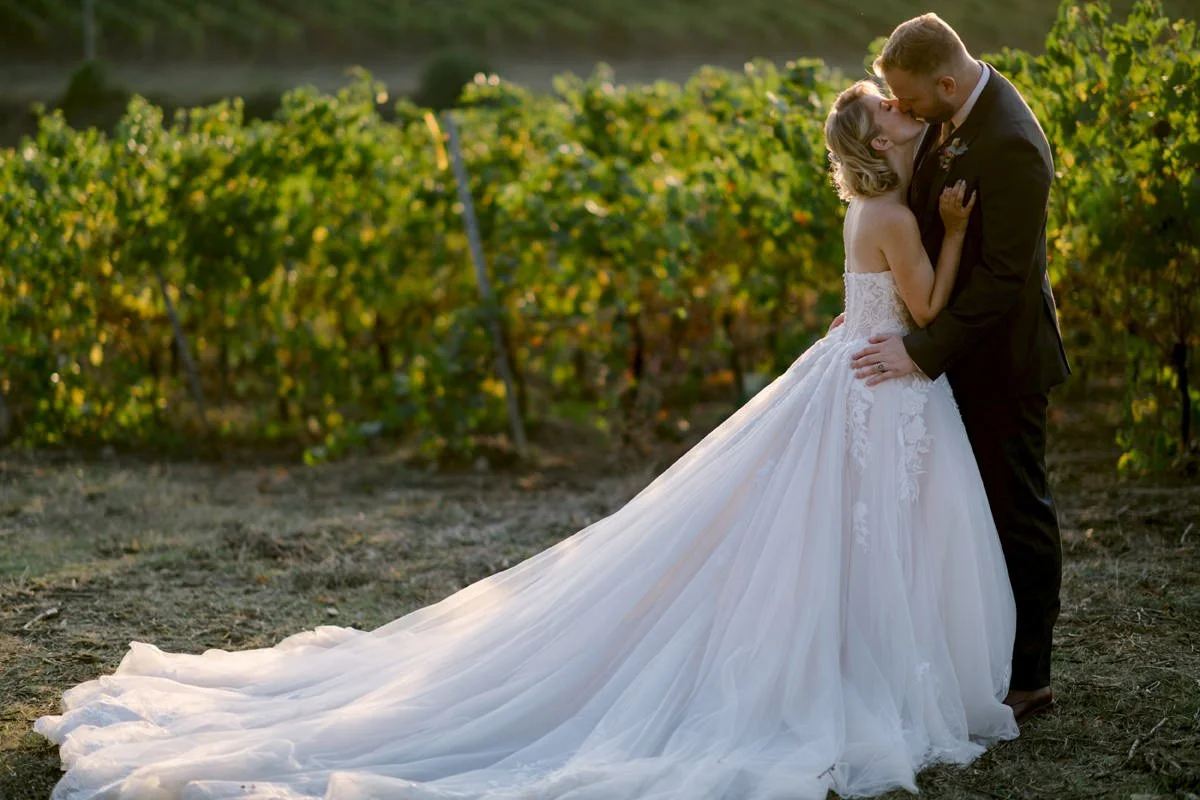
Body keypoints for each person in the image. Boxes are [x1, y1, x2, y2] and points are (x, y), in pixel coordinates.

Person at [34, 82, 1017, 800]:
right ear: (875, 144)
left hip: (852, 367)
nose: (901, 114)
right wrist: (959, 232)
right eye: (888, 111)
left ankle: (858, 658)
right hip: (879, 375)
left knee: (829, 535)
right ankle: (873, 669)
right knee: (858, 533)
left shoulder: (862, 206)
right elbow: (924, 300)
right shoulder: (894, 212)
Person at [848, 13, 1070, 723]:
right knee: (956, 514)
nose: (903, 112)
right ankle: (968, 657)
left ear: (946, 83)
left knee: (1016, 512)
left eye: (910, 102)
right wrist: (874, 310)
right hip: (946, 347)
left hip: (1003, 358)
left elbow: (1005, 278)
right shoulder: (943, 115)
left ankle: (1029, 677)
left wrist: (919, 348)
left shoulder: (1011, 144)